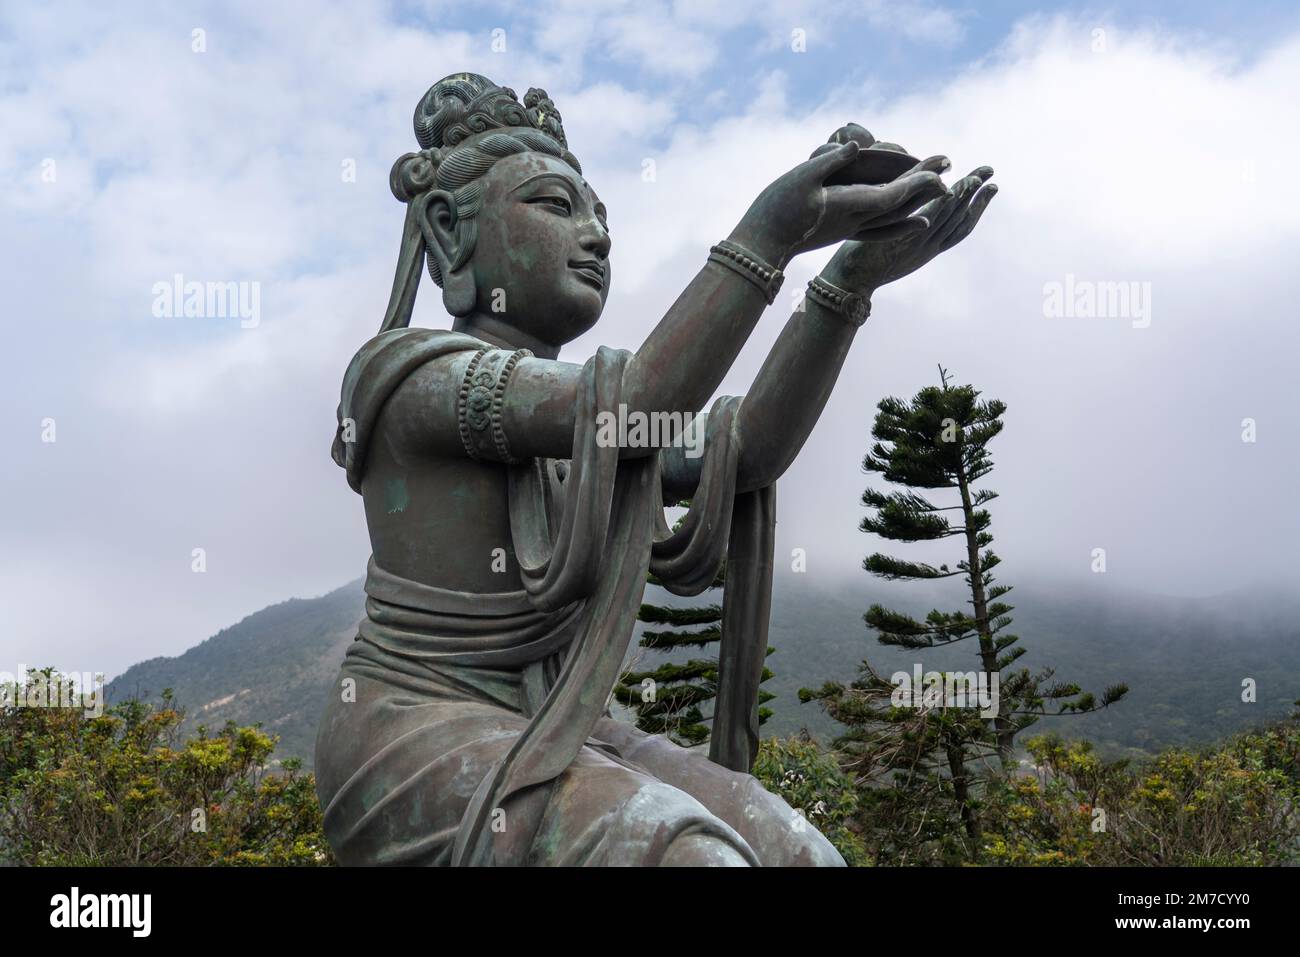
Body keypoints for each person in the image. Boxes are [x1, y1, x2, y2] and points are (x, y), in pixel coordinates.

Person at [315, 73, 997, 866]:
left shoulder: (583, 423)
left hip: (560, 721)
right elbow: (636, 397)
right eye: (555, 206)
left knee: (795, 846)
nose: (596, 234)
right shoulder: (414, 379)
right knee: (689, 856)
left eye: (600, 213)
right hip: (418, 732)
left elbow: (743, 448)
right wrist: (768, 233)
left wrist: (844, 283)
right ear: (448, 227)